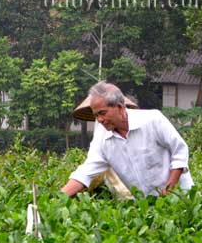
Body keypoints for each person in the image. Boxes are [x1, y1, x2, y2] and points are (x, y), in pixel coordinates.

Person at [61, 81, 194, 198]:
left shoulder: (152, 120)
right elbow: (86, 171)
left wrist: (170, 189)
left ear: (119, 107)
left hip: (180, 196)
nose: (99, 120)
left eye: (102, 113)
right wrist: (57, 199)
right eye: (96, 115)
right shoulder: (102, 138)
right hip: (147, 203)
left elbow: (180, 151)